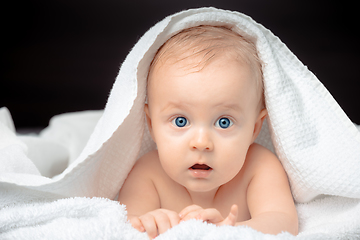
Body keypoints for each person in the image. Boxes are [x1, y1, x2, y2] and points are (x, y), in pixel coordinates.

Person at [118, 25, 298, 239]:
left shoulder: (259, 167)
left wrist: (228, 231)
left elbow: (283, 222)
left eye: (223, 122)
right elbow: (125, 224)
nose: (201, 142)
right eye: (181, 120)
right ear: (151, 125)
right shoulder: (148, 173)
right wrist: (150, 222)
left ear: (254, 129)